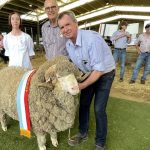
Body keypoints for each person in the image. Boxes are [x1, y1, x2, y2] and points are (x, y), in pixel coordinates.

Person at [58, 11, 115, 150]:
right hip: (89, 72)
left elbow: (99, 70)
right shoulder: (69, 45)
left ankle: (100, 143)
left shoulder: (91, 39)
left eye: (68, 24)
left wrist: (82, 85)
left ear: (76, 23)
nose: (65, 29)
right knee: (83, 104)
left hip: (105, 73)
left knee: (98, 109)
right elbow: (78, 67)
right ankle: (83, 133)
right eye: (62, 27)